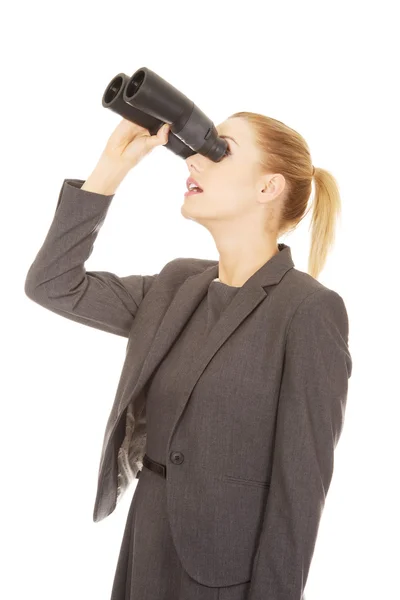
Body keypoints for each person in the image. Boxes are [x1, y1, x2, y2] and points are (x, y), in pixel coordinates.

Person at [25, 115, 352, 600]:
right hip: (145, 552)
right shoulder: (176, 286)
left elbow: (299, 496)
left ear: (269, 186)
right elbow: (53, 285)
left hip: (225, 577)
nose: (195, 157)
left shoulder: (307, 311)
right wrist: (110, 170)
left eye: (222, 149)